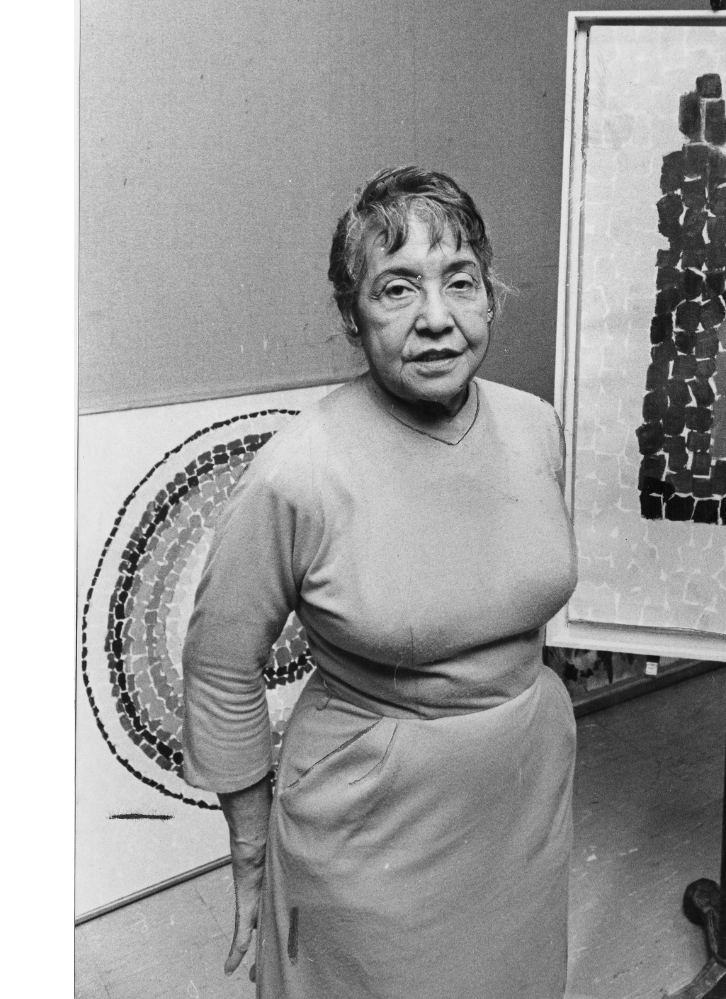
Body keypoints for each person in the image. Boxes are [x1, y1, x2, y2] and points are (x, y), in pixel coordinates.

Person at [178, 166, 580, 998]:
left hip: (525, 797)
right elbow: (220, 667)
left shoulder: (536, 424)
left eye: (459, 281)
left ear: (490, 296)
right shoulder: (300, 470)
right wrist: (250, 849)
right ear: (351, 316)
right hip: (371, 828)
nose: (436, 317)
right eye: (397, 289)